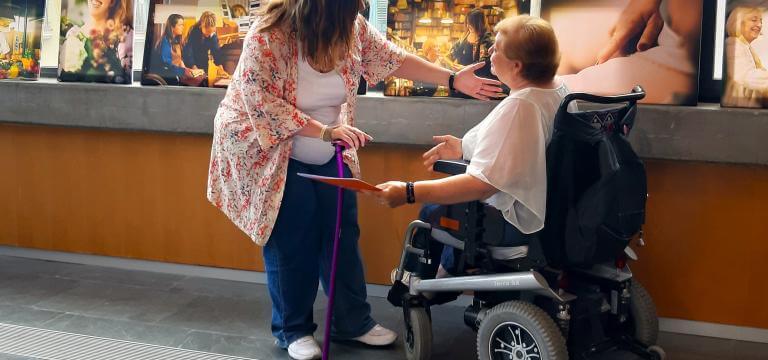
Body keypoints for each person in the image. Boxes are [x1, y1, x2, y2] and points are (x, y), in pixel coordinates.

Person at [206, 1, 502, 359]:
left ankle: (353, 322)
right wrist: (326, 131)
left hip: (328, 144)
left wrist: (453, 78)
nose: (354, 20)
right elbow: (263, 102)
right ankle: (293, 329)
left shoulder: (351, 26)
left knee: (342, 232)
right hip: (269, 149)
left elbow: (392, 57)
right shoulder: (269, 36)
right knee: (292, 237)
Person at [366, 15, 570, 277]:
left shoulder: (521, 106)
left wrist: (409, 191)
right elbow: (516, 146)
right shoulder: (556, 91)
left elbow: (481, 184)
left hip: (514, 224)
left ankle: (423, 283)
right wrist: (464, 146)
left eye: (497, 48)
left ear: (517, 66)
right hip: (552, 215)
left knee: (432, 211)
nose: (490, 52)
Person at [559, 0, 701, 104]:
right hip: (672, 33)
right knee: (568, 33)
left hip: (683, 57)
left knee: (564, 73)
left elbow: (551, 92)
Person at [722, 6, 768, 108]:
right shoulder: (733, 44)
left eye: (761, 21)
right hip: (738, 112)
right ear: (739, 22)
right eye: (754, 20)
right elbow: (746, 76)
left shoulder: (745, 46)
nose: (759, 25)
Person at [153, 14, 198, 82]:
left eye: (183, 25)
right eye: (180, 25)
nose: (183, 27)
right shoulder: (165, 41)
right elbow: (167, 65)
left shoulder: (176, 41)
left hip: (176, 75)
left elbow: (179, 61)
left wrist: (189, 70)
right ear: (172, 27)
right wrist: (184, 71)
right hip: (167, 78)